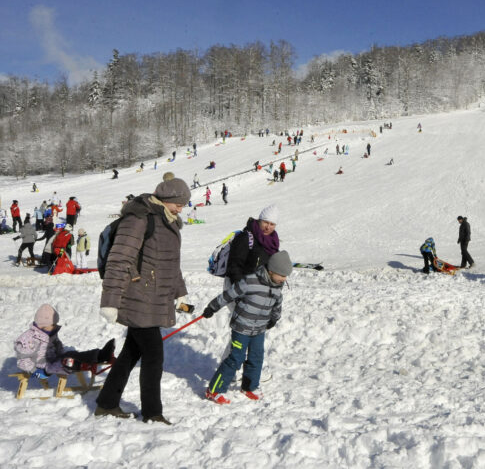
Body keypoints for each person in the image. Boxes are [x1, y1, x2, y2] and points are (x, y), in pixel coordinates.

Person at [95, 178, 192, 424]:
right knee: (154, 355)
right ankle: (152, 413)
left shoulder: (168, 222)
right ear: (166, 199)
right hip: (137, 296)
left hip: (153, 298)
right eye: (179, 204)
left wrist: (180, 293)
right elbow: (119, 259)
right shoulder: (140, 218)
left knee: (131, 352)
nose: (181, 209)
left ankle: (107, 403)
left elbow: (171, 265)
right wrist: (110, 301)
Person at [203, 250, 292, 404]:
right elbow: (228, 294)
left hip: (259, 329)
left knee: (256, 358)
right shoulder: (250, 281)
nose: (284, 279)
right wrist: (212, 307)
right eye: (282, 275)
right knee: (235, 358)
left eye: (285, 276)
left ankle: (250, 387)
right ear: (271, 271)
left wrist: (274, 319)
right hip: (241, 328)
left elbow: (277, 305)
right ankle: (214, 390)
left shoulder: (277, 287)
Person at [15, 304, 115, 379]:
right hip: (42, 365)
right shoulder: (27, 338)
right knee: (64, 363)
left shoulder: (50, 332)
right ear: (43, 324)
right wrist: (35, 371)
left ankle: (100, 355)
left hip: (55, 359)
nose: (55, 326)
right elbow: (22, 361)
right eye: (53, 324)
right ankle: (77, 364)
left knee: (72, 354)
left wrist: (63, 353)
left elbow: (57, 346)